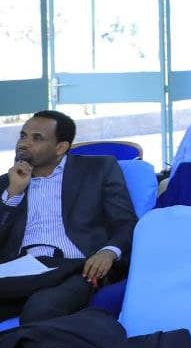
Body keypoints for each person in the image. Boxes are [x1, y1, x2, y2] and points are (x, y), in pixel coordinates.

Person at [0, 111, 137, 324]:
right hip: (19, 271)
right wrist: (13, 194)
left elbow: (125, 222)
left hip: (77, 268)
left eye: (37, 138)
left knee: (40, 309)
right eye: (23, 135)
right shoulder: (7, 182)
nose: (24, 144)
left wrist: (108, 252)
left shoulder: (98, 169)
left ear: (60, 147)